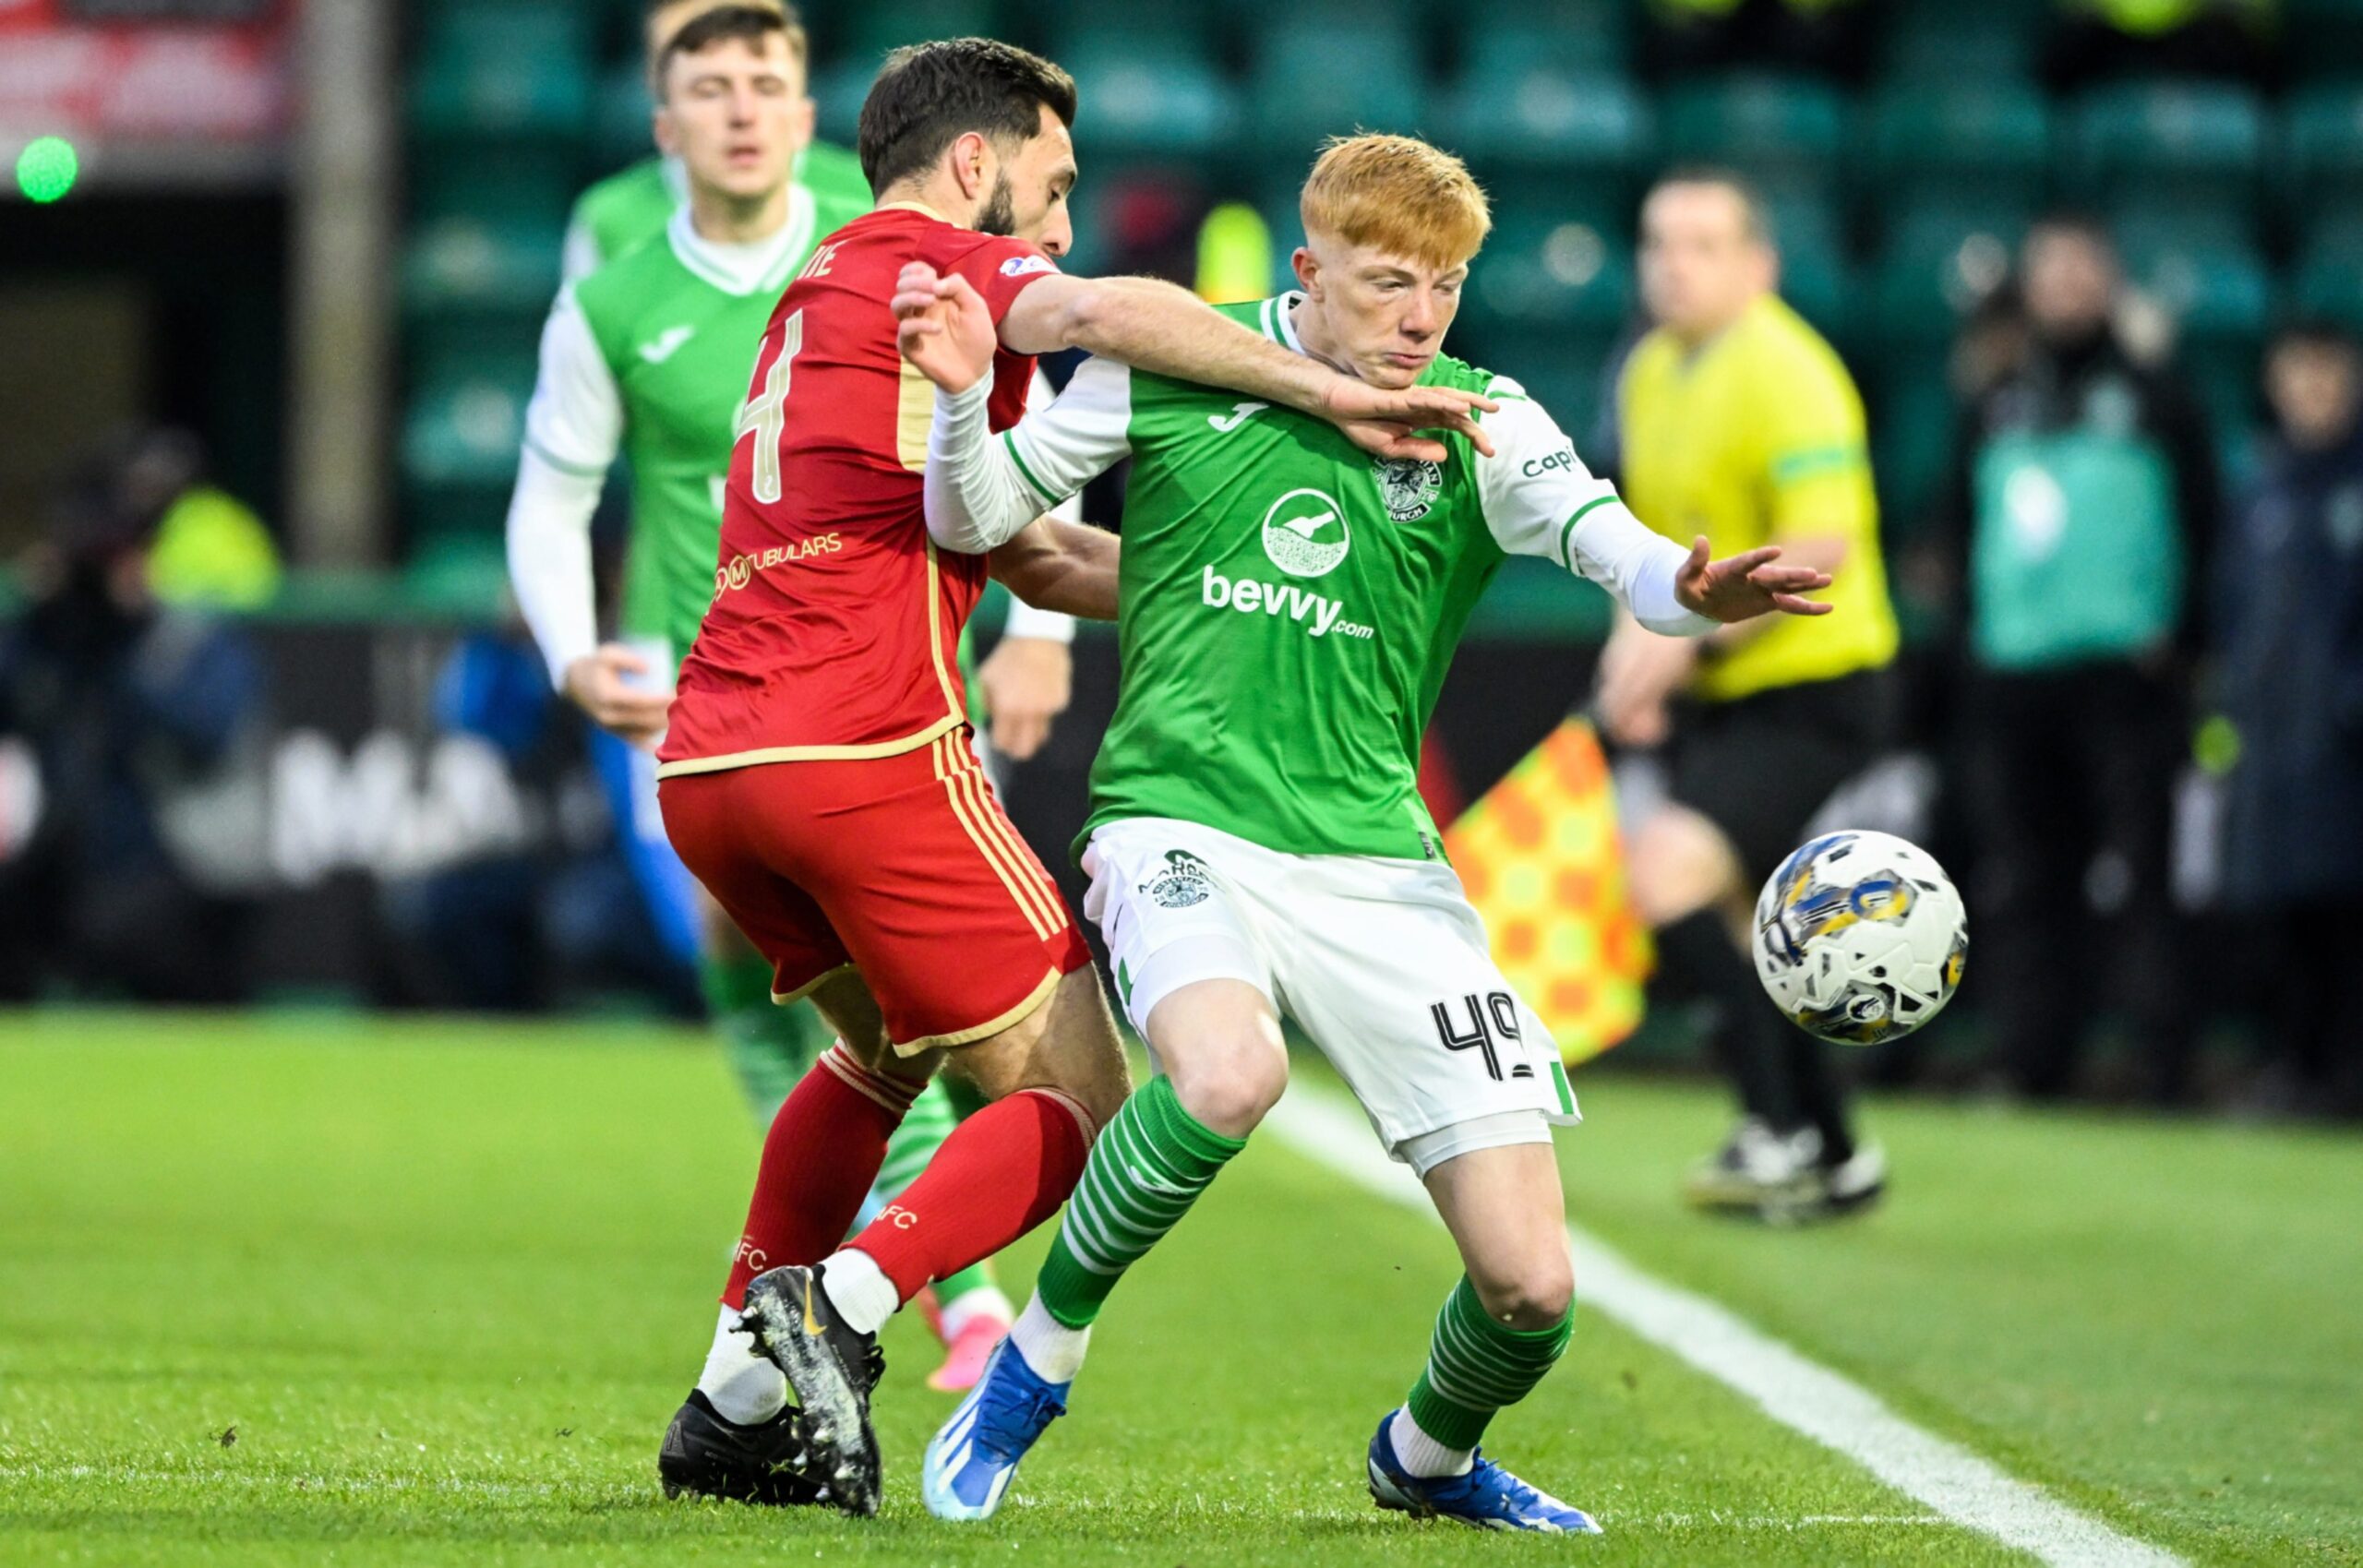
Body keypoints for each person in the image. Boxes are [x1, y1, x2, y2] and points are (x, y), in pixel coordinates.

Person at [901, 134, 1832, 1531]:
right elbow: (973, 514)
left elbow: (1624, 556)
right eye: (1390, 282)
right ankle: (1033, 1363)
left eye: (1445, 287)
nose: (1419, 317)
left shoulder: (1479, 414)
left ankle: (1429, 1454)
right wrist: (969, 400)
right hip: (1182, 822)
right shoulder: (1174, 366)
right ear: (1309, 267)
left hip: (1381, 867)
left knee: (1534, 1292)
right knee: (1224, 1075)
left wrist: (1702, 589)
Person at [649, 42, 1498, 1516]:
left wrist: (1223, 585)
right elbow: (1107, 309)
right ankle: (846, 1305)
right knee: (1092, 1099)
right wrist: (1323, 391)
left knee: (877, 1055)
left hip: (717, 759)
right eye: (1051, 186)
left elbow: (1034, 550)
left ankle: (731, 1396)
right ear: (975, 166)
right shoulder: (942, 261)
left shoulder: (824, 291)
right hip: (864, 746)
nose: (1058, 222)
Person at [507, 4, 1036, 1393]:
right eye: (711, 87)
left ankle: (822, 1317)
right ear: (662, 126)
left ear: (810, 119)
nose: (743, 109)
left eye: (769, 84)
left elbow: (1013, 429)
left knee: (891, 1024)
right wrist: (576, 651)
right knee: (823, 1007)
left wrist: (1035, 621)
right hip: (703, 702)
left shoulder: (878, 260)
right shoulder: (615, 290)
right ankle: (930, 1292)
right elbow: (551, 497)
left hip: (898, 680)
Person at [1604, 169, 1901, 1220]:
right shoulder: (1647, 370)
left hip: (1818, 678)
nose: (1672, 265)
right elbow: (1645, 550)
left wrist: (1680, 647)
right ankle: (1833, 1147)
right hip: (1729, 684)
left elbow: (1825, 545)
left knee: (1671, 871)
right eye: (1657, 242)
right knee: (1748, 923)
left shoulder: (1788, 370)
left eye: (1701, 244)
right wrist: (1630, 660)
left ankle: (1773, 1129)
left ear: (1757, 263)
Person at [1937, 213, 2215, 1105]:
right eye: (2050, 270)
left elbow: (2206, 521)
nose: (2065, 286)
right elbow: (1953, 524)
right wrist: (1972, 640)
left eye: (2081, 269)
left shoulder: (2160, 393)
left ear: (2108, 279)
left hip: (2127, 679)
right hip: (2015, 678)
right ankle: (2032, 1064)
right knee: (2025, 879)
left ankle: (2162, 1068)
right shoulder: (1996, 395)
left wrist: (2184, 642)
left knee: (2145, 875)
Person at [2213, 322, 2363, 1119]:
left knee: (2346, 909)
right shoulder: (2262, 486)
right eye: (2298, 373)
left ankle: (2343, 1071)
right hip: (2274, 736)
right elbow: (2234, 607)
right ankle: (2294, 1067)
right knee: (2281, 907)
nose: (2313, 389)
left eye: (2327, 373)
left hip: (2345, 741)